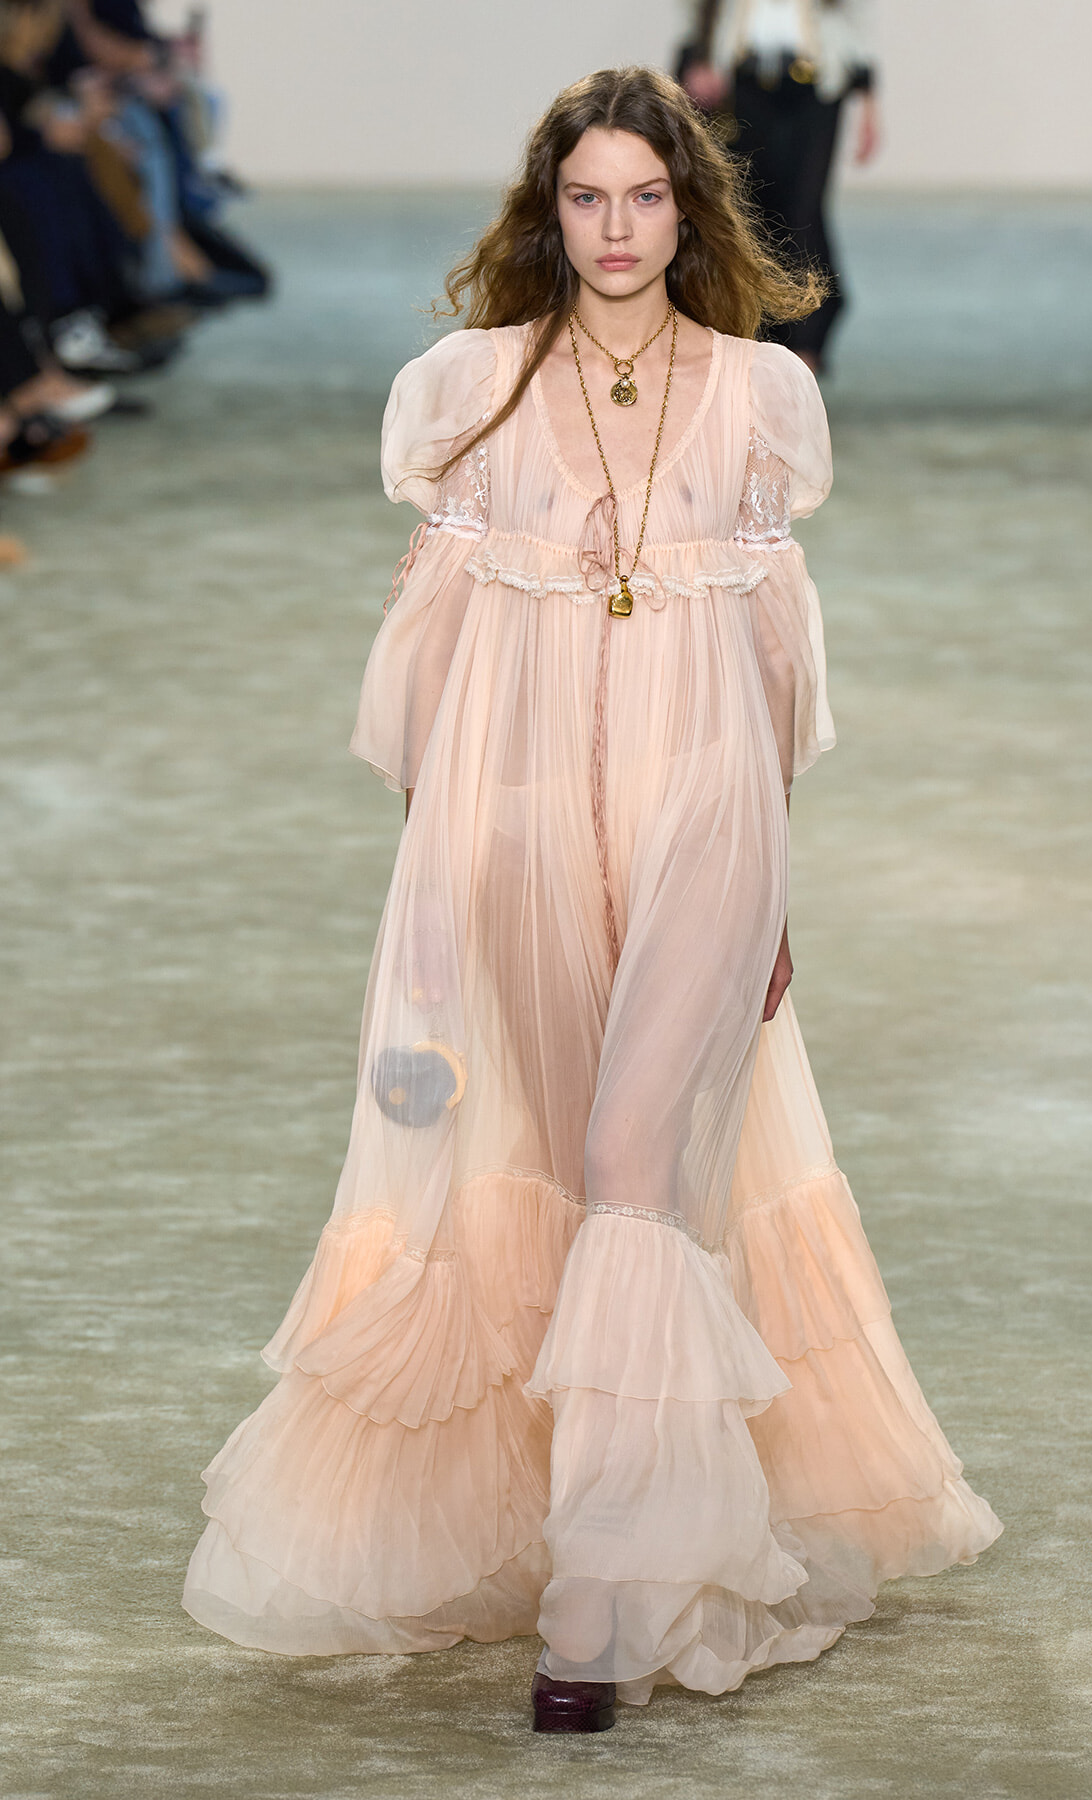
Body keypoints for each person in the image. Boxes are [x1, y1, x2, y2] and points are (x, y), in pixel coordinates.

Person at [182, 66, 1000, 1733]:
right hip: (520, 821)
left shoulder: (763, 395)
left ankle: (605, 1599)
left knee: (635, 1166)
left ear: (688, 208)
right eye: (586, 198)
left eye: (645, 197)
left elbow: (777, 653)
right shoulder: (465, 392)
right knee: (545, 1169)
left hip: (708, 809)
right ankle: (564, 1523)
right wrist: (436, 876)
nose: (616, 229)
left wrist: (771, 891)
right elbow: (428, 652)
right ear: (545, 212)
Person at [679, 0, 879, 371]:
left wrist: (869, 103)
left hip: (816, 91)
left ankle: (806, 341)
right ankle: (759, 334)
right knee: (751, 209)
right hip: (744, 90)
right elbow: (705, 14)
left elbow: (855, 23)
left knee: (804, 209)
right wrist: (699, 61)